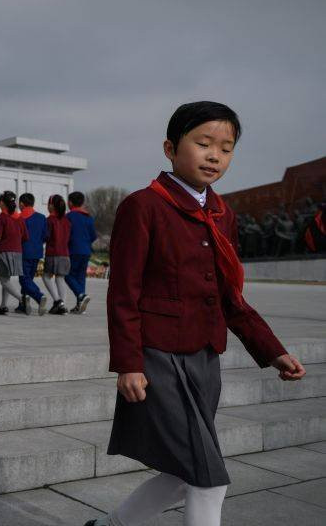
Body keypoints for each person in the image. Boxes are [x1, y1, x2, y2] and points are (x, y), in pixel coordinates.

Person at [86, 101, 306, 526]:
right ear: (171, 148)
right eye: (203, 143)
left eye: (226, 148)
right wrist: (129, 364)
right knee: (208, 478)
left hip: (205, 358)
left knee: (183, 472)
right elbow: (123, 293)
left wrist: (272, 350)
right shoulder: (143, 206)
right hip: (158, 357)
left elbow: (230, 296)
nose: (214, 156)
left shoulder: (223, 214)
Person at [0, 190, 29, 315]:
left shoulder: (1, 218)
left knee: (4, 280)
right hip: (18, 252)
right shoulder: (20, 218)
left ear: (2, 203)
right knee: (7, 279)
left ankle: (22, 299)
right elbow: (26, 236)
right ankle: (3, 305)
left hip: (5, 251)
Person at [15, 193, 49, 316]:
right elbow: (46, 235)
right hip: (37, 252)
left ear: (21, 204)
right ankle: (23, 304)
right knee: (28, 279)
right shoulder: (41, 217)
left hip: (23, 252)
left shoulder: (19, 218)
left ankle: (39, 296)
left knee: (24, 280)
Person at [65, 191, 97, 314]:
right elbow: (93, 236)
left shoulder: (69, 217)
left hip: (73, 249)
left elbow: (66, 234)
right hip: (86, 250)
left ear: (70, 202)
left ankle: (81, 295)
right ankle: (80, 305)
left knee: (68, 275)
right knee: (80, 277)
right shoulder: (89, 217)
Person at [42, 194, 71, 315]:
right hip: (65, 253)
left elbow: (46, 236)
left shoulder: (49, 220)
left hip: (53, 253)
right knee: (60, 278)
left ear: (51, 206)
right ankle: (62, 305)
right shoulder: (67, 221)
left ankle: (58, 301)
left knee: (46, 277)